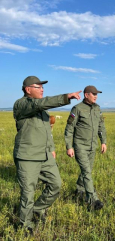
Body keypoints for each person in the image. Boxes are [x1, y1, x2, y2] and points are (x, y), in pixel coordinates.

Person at [13, 76, 82, 234]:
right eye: (38, 87)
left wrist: (51, 147)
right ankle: (25, 226)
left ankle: (37, 209)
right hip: (27, 156)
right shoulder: (21, 104)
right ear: (28, 89)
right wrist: (66, 97)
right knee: (28, 192)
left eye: (42, 87)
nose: (42, 89)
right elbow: (39, 103)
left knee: (55, 184)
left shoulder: (42, 111)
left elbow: (46, 131)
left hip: (44, 155)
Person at [64, 85, 107, 211]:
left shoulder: (97, 109)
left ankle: (79, 190)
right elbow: (69, 129)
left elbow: (101, 126)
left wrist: (103, 142)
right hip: (80, 146)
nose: (96, 96)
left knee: (87, 171)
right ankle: (93, 200)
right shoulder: (77, 109)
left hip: (93, 146)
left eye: (97, 94)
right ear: (86, 94)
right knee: (87, 172)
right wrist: (69, 146)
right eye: (93, 94)